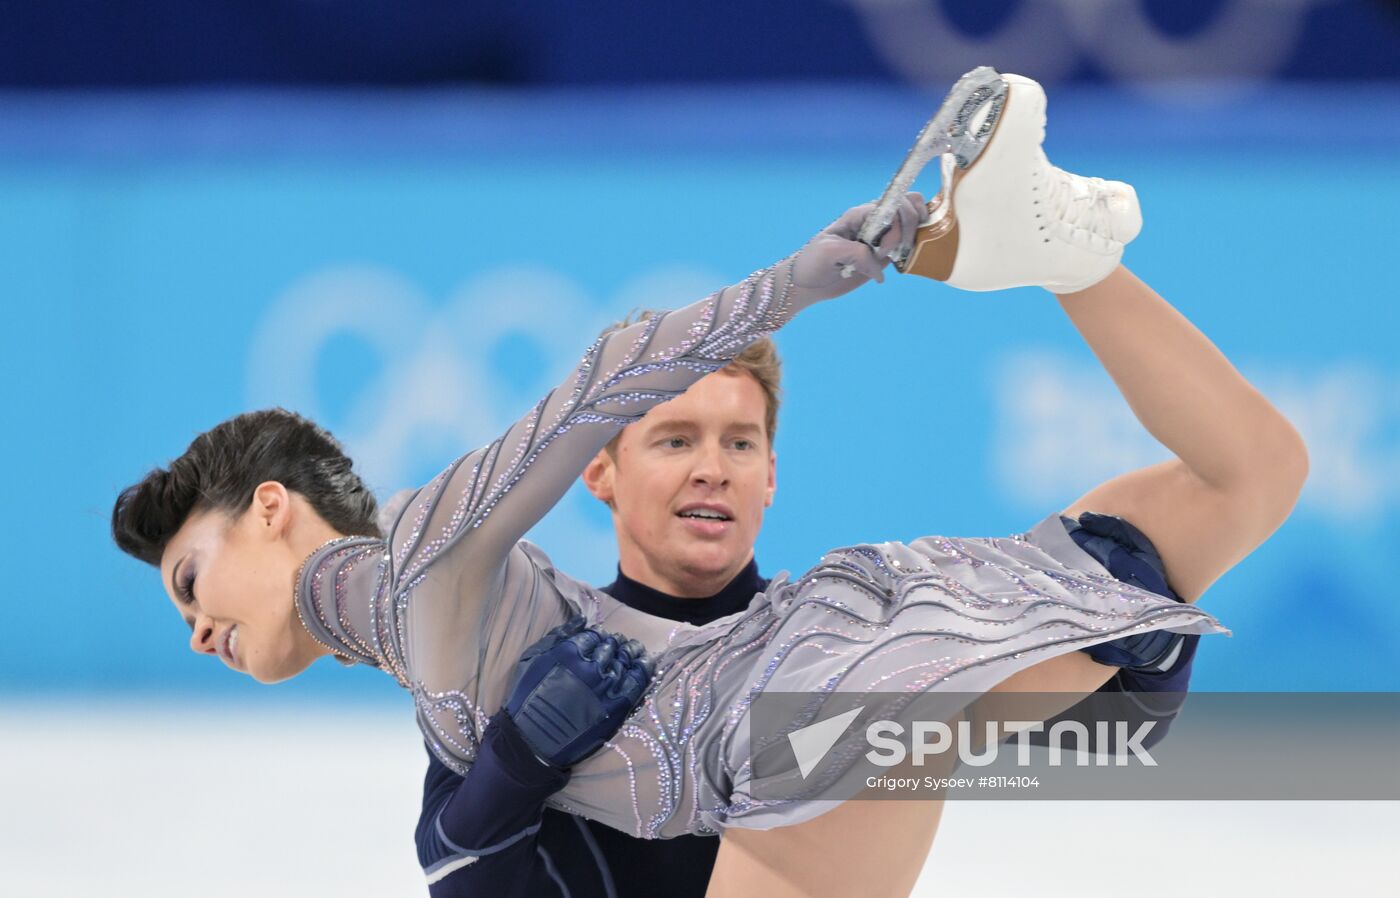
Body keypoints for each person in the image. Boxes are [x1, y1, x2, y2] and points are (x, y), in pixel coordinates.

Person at [111, 71, 1306, 896]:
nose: (200, 626)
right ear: (606, 481)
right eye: (674, 439)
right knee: (1048, 672)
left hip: (814, 698)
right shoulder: (439, 647)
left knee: (1224, 500)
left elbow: (592, 390)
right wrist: (491, 799)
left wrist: (788, 284)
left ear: (271, 507)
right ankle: (1101, 633)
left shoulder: (426, 563)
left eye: (189, 580)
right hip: (856, 705)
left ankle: (1058, 262)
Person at [413, 321, 1203, 898]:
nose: (713, 471)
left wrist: (1140, 648)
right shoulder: (539, 648)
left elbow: (1093, 731)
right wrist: (523, 752)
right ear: (601, 473)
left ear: (771, 477)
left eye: (740, 443)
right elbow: (455, 870)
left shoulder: (842, 644)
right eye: (676, 441)